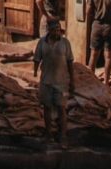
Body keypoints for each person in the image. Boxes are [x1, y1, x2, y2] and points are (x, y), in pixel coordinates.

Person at [33, 18, 74, 149]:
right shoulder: (42, 43)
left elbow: (70, 62)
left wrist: (72, 80)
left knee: (61, 109)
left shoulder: (65, 43)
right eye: (55, 29)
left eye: (59, 29)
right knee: (47, 108)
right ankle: (48, 135)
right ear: (49, 30)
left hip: (61, 82)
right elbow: (36, 59)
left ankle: (63, 137)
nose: (58, 32)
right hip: (46, 81)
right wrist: (34, 74)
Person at [87, 0, 111, 86]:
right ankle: (106, 82)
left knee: (93, 56)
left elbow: (88, 11)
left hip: (96, 25)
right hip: (110, 27)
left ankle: (90, 81)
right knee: (108, 57)